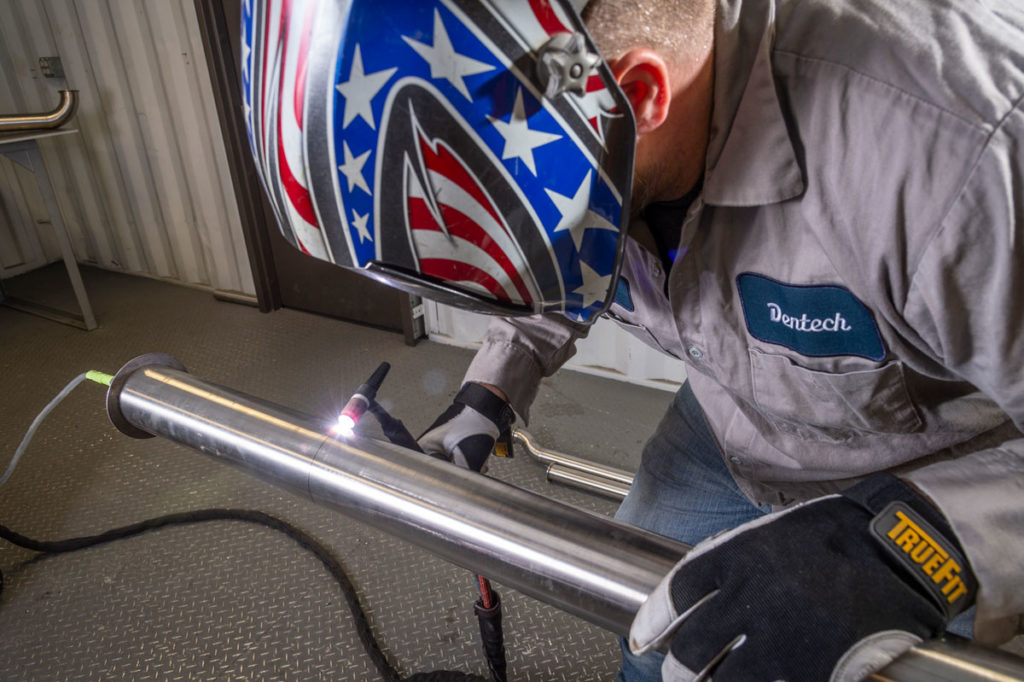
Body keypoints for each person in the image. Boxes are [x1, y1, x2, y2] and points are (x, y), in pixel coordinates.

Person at [246, 0, 1023, 678]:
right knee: (656, 630)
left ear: (638, 95)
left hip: (941, 464)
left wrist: (913, 545)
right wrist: (488, 392)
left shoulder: (963, 157)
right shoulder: (594, 140)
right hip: (732, 417)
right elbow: (556, 248)